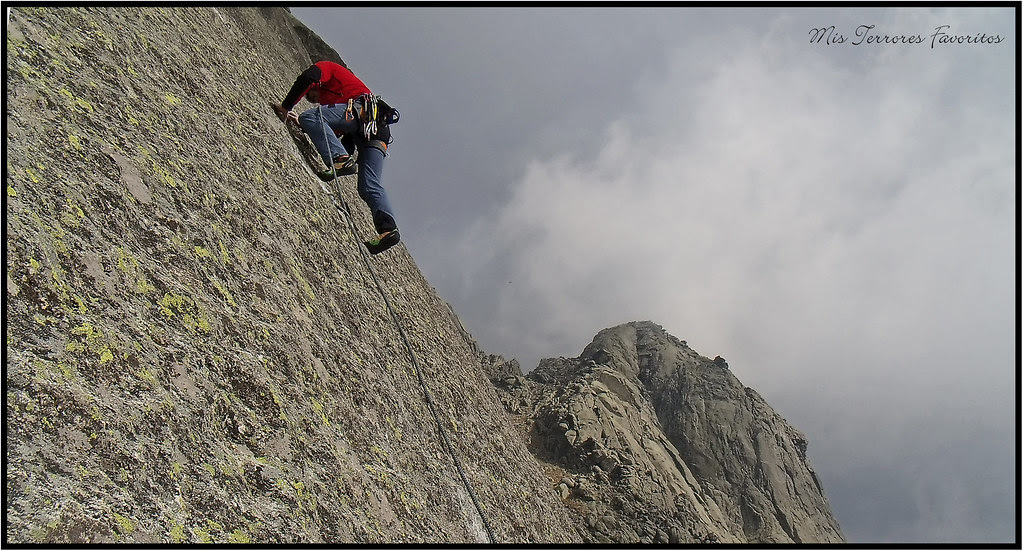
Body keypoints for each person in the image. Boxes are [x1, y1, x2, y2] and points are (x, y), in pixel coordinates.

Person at [271, 60, 400, 255]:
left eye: (311, 95)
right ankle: (388, 229)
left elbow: (308, 77)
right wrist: (307, 127)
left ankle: (340, 160)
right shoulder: (336, 101)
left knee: (310, 116)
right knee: (369, 186)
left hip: (363, 111)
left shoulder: (327, 68)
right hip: (378, 130)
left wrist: (286, 106)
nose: (312, 99)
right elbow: (333, 135)